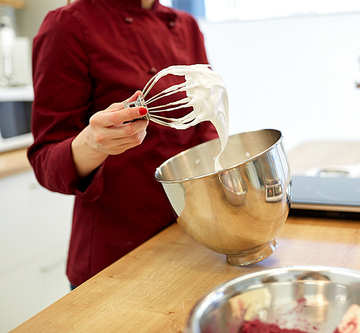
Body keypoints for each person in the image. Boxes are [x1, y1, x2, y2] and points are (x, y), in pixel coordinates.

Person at [28, 0, 218, 288]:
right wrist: (93, 143)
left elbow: (206, 126)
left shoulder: (187, 25)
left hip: (193, 235)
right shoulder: (68, 25)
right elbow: (46, 161)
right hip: (115, 256)